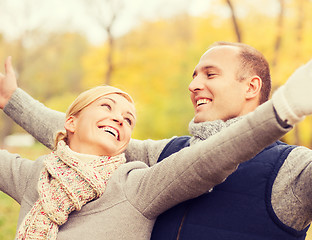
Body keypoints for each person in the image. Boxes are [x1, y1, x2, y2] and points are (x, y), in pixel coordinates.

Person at [1, 42, 312, 240]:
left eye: (210, 74)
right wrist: (12, 100)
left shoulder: (291, 171)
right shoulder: (163, 155)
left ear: (251, 87)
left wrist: (284, 110)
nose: (193, 85)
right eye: (193, 76)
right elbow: (85, 138)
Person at [0, 82, 292, 240]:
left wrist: (280, 114)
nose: (119, 118)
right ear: (71, 122)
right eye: (106, 106)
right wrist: (9, 97)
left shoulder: (135, 186)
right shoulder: (35, 176)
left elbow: (206, 160)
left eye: (128, 119)